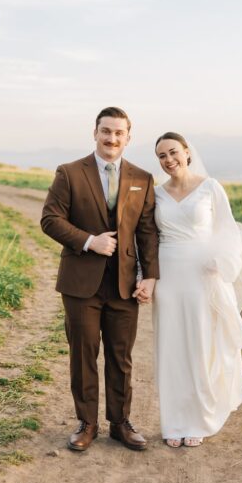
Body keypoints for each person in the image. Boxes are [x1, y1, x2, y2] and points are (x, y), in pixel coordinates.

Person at [41, 106, 160, 453]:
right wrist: (90, 241)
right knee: (83, 354)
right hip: (80, 284)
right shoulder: (69, 173)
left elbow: (147, 231)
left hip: (124, 285)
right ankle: (87, 423)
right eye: (106, 131)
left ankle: (120, 423)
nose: (112, 138)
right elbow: (50, 220)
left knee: (121, 357)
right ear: (95, 133)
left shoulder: (142, 178)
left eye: (119, 133)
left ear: (128, 137)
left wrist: (150, 276)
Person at [152, 132, 242, 448]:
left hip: (202, 276)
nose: (168, 160)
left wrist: (220, 261)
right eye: (161, 156)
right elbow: (147, 238)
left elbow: (228, 231)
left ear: (186, 152)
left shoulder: (211, 188)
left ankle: (198, 418)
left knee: (201, 345)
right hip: (168, 276)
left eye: (173, 152)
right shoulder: (155, 194)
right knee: (171, 348)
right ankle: (174, 421)